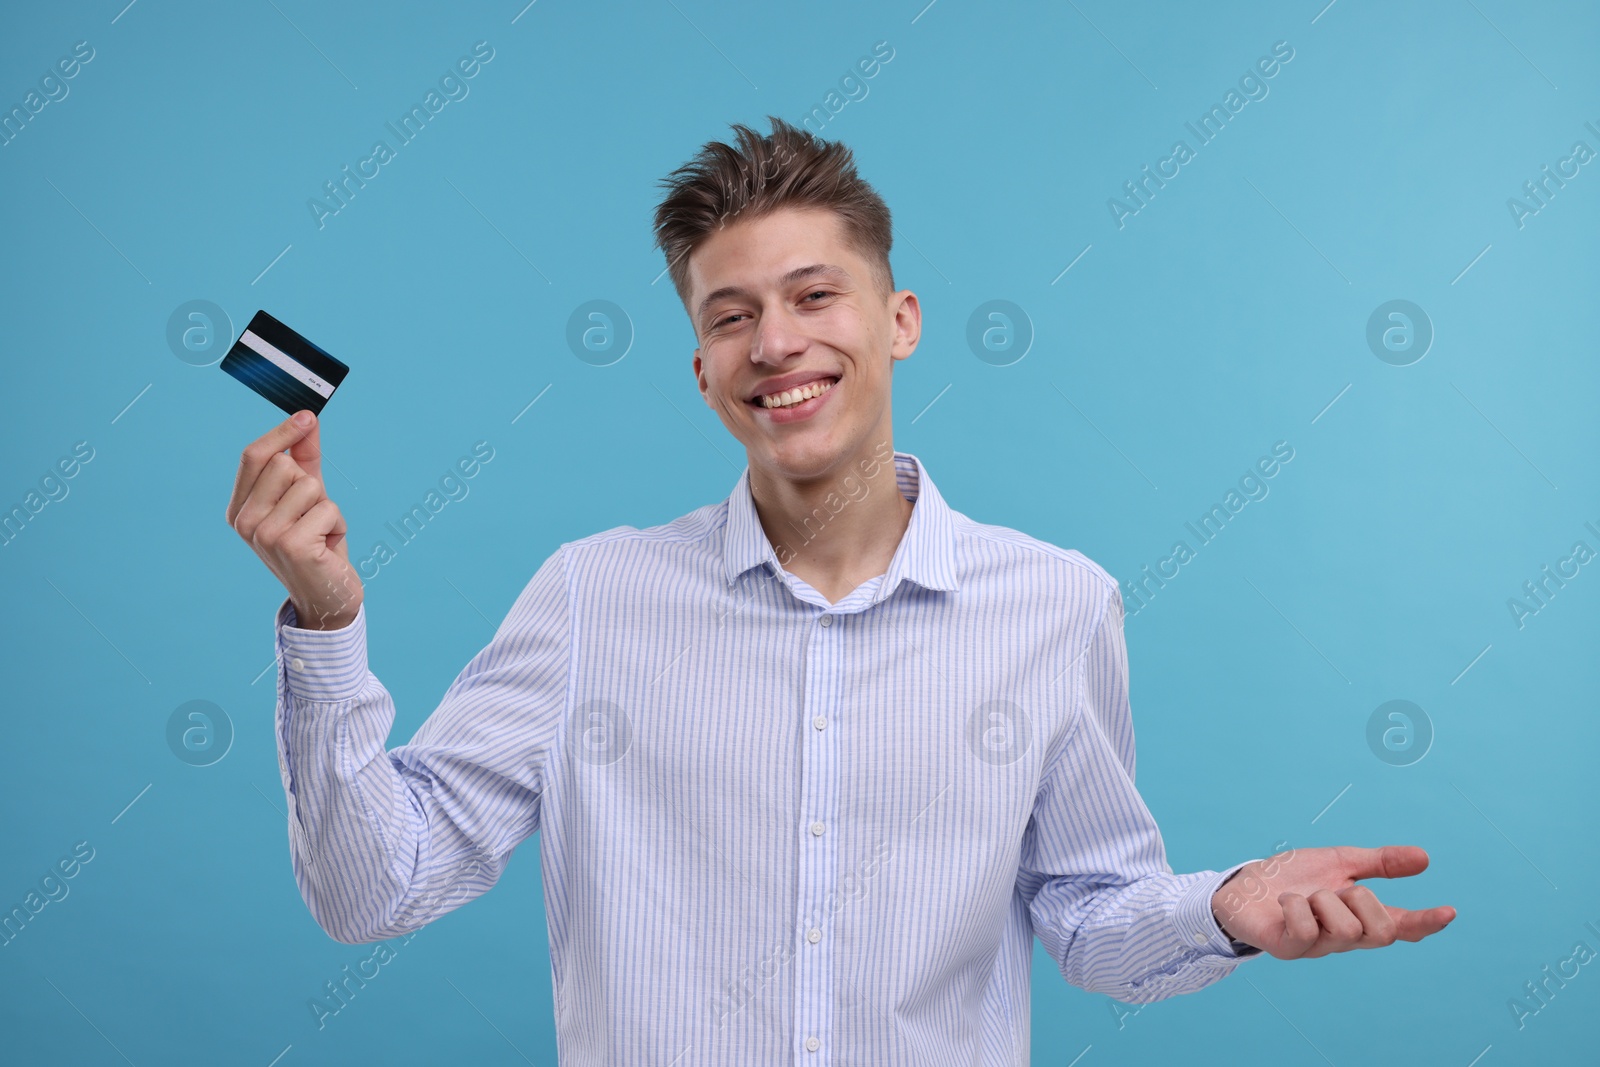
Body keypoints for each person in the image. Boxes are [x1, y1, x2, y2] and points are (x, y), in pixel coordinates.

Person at [226, 116, 1454, 1064]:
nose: (775, 342)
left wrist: (1226, 908)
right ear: (700, 368)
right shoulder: (591, 596)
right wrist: (328, 624)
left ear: (899, 318)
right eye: (732, 315)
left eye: (814, 295)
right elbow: (371, 888)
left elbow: (1090, 915)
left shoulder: (1054, 603)